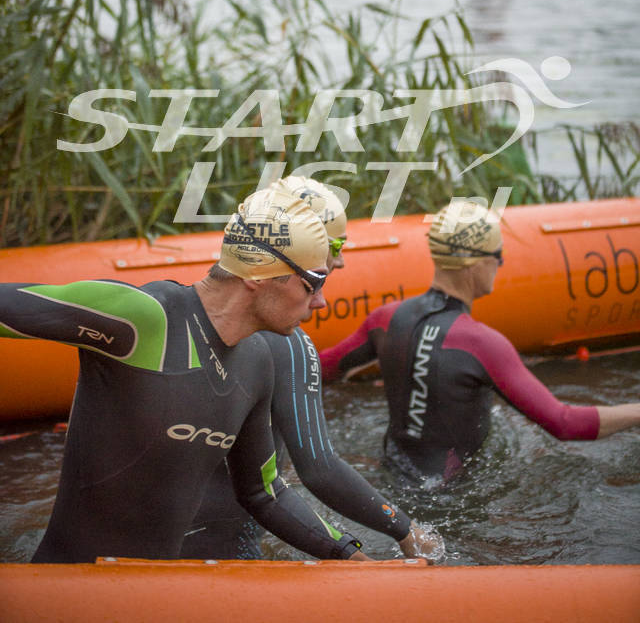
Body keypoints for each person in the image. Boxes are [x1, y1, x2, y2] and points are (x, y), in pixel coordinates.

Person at [0, 181, 371, 563]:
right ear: (258, 276)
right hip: (68, 590)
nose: (322, 301)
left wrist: (353, 557)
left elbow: (264, 492)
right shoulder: (144, 318)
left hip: (162, 594)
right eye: (313, 283)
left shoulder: (257, 360)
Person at [181, 175, 442, 561]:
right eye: (335, 244)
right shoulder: (285, 341)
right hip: (228, 549)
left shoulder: (197, 305)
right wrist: (405, 530)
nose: (340, 259)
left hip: (163, 539)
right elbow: (319, 469)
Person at [320, 201, 640, 481]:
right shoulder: (481, 344)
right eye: (497, 256)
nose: (500, 265)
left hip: (390, 480)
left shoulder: (385, 320)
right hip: (451, 497)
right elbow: (564, 423)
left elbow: (323, 369)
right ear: (474, 264)